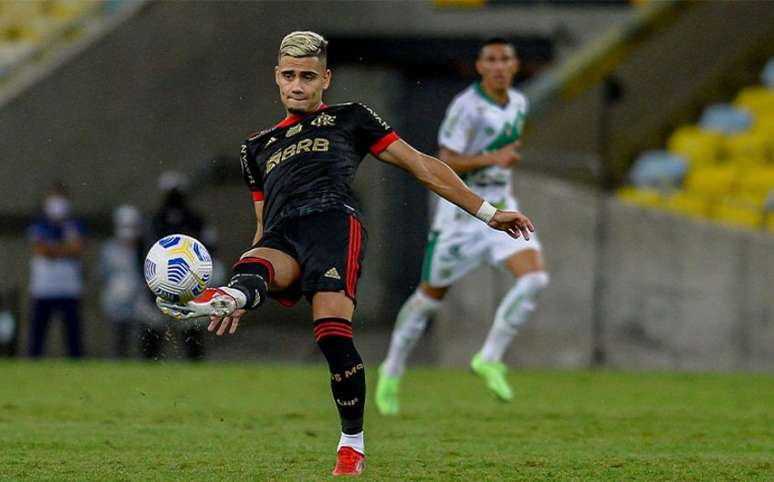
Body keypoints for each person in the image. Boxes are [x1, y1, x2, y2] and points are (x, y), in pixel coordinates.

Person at [153, 31, 534, 477]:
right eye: (290, 76)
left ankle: (351, 445)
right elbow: (262, 227)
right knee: (257, 261)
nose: (298, 85)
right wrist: (246, 285)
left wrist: (487, 212)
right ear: (276, 77)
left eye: (308, 77)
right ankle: (233, 295)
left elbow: (422, 165)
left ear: (325, 79)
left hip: (332, 225)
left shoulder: (351, 118)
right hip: (280, 236)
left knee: (332, 337)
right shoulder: (254, 148)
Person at [376, 38, 550, 415]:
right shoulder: (466, 107)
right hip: (461, 217)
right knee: (428, 299)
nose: (500, 65)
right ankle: (391, 369)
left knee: (535, 278)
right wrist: (494, 158)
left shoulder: (519, 103)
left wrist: (500, 166)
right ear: (481, 67)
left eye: (506, 59)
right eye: (492, 59)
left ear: (516, 65)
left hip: (505, 207)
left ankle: (489, 357)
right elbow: (446, 160)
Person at [143, 171, 208, 361]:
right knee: (154, 324)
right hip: (160, 281)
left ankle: (195, 363)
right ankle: (149, 364)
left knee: (190, 326)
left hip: (189, 282)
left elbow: (208, 248)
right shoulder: (156, 220)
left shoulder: (194, 219)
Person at [28, 183, 87, 358]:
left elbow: (77, 248)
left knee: (73, 337)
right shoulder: (39, 224)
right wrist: (65, 249)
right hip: (43, 288)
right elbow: (41, 250)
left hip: (69, 288)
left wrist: (55, 250)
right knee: (37, 336)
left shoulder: (75, 224)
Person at [99, 205, 158, 358]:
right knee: (119, 339)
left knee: (144, 339)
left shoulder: (146, 248)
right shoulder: (109, 249)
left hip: (141, 301)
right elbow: (103, 275)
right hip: (118, 301)